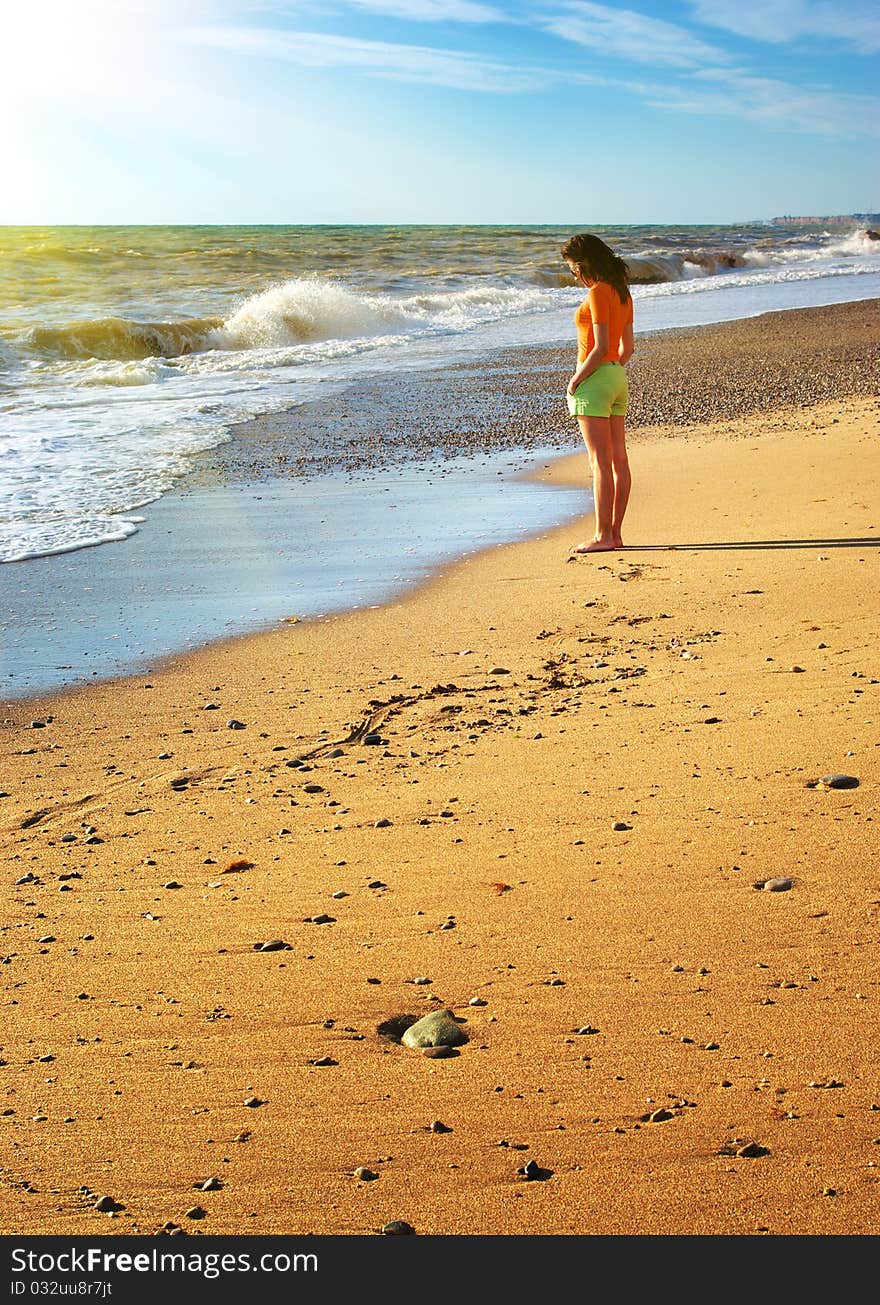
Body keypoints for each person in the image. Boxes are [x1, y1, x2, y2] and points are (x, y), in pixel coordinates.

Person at [561, 232, 634, 552]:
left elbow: (601, 346)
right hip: (618, 378)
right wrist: (610, 372)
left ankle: (603, 536)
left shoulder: (596, 293)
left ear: (583, 264)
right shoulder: (623, 293)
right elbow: (625, 348)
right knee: (619, 459)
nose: (574, 276)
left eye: (572, 269)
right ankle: (615, 533)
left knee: (599, 462)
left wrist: (577, 379)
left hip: (596, 380)